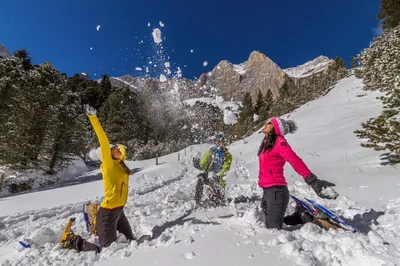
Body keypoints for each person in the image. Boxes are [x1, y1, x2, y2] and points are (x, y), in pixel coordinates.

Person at [61, 105, 135, 252]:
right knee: (105, 250)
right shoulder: (108, 165)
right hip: (107, 213)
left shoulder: (121, 166)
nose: (115, 148)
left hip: (119, 211)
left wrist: (119, 150)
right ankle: (73, 241)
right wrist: (93, 118)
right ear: (106, 155)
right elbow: (103, 140)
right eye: (112, 148)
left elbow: (120, 150)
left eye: (116, 147)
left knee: (131, 241)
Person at [258, 117, 337, 230]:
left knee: (273, 231)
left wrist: (312, 180)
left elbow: (294, 160)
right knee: (264, 224)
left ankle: (310, 221)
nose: (265, 124)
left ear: (276, 128)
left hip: (276, 190)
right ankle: (300, 217)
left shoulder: (280, 142)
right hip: (267, 190)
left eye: (269, 123)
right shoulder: (267, 143)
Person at [194, 132, 232, 206]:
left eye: (220, 141)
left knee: (217, 200)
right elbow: (203, 164)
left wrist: (218, 175)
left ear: (223, 142)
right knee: (200, 178)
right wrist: (198, 165)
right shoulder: (211, 152)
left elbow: (226, 168)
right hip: (208, 176)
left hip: (219, 180)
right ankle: (197, 200)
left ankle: (218, 197)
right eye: (217, 141)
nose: (218, 143)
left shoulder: (227, 155)